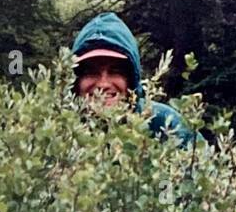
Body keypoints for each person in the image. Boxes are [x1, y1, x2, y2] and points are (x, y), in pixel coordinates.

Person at [71, 11, 194, 147]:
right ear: (75, 81)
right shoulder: (59, 130)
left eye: (115, 71)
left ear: (131, 79)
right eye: (90, 72)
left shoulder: (168, 124)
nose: (103, 83)